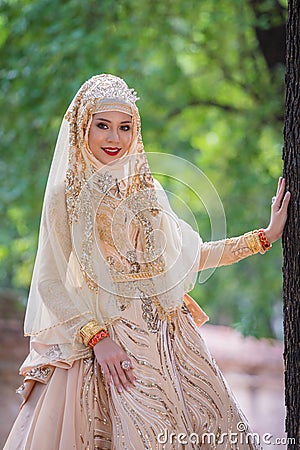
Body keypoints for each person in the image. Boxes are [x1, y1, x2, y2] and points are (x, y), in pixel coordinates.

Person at [4, 74, 290, 450]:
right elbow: (50, 281)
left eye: (125, 127)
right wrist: (99, 339)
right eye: (102, 126)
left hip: (172, 344)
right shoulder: (66, 194)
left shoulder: (147, 190)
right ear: (81, 128)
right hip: (108, 348)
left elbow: (188, 260)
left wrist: (263, 237)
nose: (114, 138)